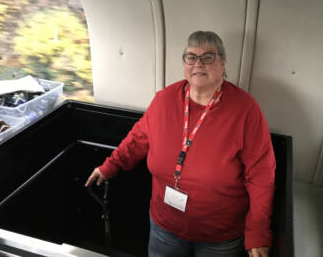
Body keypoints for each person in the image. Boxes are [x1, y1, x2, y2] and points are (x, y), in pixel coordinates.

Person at [85, 31, 276, 257]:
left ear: (223, 62)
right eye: (191, 57)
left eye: (207, 57)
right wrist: (110, 166)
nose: (198, 64)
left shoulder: (246, 110)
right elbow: (138, 139)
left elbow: (261, 175)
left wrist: (258, 232)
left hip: (219, 237)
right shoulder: (164, 100)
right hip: (164, 226)